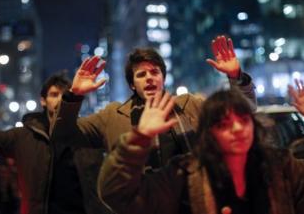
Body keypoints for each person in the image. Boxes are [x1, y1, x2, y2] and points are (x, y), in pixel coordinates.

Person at [97, 80, 304, 214]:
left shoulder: (280, 167)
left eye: (243, 120)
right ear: (209, 132)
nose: (237, 129)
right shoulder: (184, 175)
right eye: (224, 124)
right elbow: (117, 194)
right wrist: (139, 137)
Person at [70, 36, 256, 170]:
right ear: (132, 84)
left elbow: (245, 110)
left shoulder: (190, 105)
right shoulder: (111, 116)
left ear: (163, 78)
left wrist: (235, 76)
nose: (149, 78)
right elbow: (63, 135)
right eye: (141, 75)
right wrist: (74, 96)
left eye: (154, 72)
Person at [0, 57, 111, 214]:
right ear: (43, 101)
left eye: (64, 94)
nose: (59, 99)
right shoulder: (25, 136)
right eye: (54, 94)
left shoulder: (87, 132)